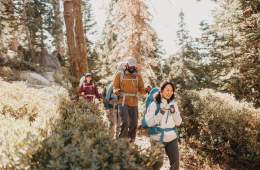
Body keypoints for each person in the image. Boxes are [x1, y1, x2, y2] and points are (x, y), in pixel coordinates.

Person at [145, 81, 182, 170]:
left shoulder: (174, 104)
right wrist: (161, 113)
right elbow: (149, 123)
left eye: (171, 90)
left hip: (171, 138)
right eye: (167, 90)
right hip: (157, 138)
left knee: (175, 164)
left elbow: (178, 122)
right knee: (157, 164)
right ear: (161, 91)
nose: (169, 92)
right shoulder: (154, 104)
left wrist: (174, 113)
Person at [113, 57, 146, 142]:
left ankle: (131, 141)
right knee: (125, 122)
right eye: (130, 66)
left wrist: (146, 90)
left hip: (134, 102)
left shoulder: (138, 76)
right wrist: (117, 91)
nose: (132, 68)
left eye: (133, 66)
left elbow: (142, 89)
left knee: (134, 123)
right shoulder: (119, 75)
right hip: (123, 101)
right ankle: (121, 142)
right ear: (127, 65)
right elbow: (115, 87)